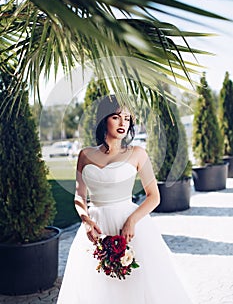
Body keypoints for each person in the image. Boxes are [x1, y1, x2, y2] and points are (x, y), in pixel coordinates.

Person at [57, 94, 193, 304]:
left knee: (135, 285)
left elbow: (154, 197)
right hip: (96, 228)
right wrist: (86, 221)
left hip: (129, 226)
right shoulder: (85, 155)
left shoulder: (137, 153)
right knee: (97, 288)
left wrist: (131, 221)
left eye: (127, 118)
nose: (123, 123)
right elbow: (79, 195)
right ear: (104, 120)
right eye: (116, 117)